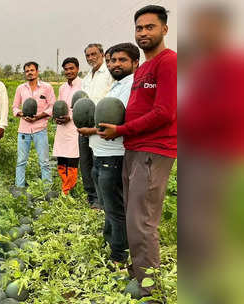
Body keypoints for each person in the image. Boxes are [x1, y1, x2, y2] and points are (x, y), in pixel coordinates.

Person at [97, 5, 177, 299]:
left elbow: (165, 112)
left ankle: (150, 285)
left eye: (150, 27)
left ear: (164, 30)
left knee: (142, 220)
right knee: (133, 216)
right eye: (139, 28)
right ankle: (140, 269)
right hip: (133, 149)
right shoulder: (142, 68)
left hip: (153, 150)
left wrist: (121, 130)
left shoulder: (169, 62)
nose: (143, 33)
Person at [77, 43, 139, 265]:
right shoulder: (117, 85)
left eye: (122, 60)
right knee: (108, 205)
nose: (115, 64)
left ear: (135, 63)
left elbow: (114, 123)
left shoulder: (130, 86)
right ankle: (110, 240)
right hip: (100, 153)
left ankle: (118, 255)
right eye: (112, 60)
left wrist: (90, 129)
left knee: (115, 207)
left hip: (113, 156)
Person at [80, 43, 114, 209]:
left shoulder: (109, 74)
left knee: (98, 164)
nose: (91, 58)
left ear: (101, 54)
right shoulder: (86, 78)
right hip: (84, 127)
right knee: (85, 164)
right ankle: (91, 196)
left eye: (94, 54)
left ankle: (102, 199)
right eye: (88, 55)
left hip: (101, 127)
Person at [12, 61, 55, 188]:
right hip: (23, 130)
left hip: (40, 129)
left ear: (37, 71)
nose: (29, 73)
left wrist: (39, 116)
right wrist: (21, 114)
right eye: (27, 71)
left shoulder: (47, 87)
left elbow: (52, 106)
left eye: (32, 70)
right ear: (25, 73)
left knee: (44, 162)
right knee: (21, 161)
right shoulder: (20, 88)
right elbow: (14, 107)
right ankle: (19, 188)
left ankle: (47, 189)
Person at [53, 57, 81, 195]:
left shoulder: (82, 85)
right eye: (66, 69)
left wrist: (70, 117)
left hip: (74, 127)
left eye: (71, 68)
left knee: (72, 158)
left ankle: (70, 189)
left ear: (77, 69)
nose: (69, 71)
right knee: (61, 157)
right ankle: (65, 187)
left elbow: (84, 107)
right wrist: (56, 117)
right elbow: (59, 106)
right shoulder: (62, 87)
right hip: (62, 128)